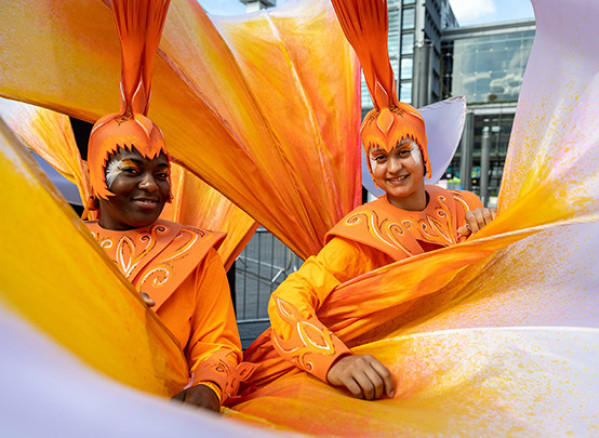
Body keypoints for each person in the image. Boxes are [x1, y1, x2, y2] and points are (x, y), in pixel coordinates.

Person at [236, 0, 496, 403]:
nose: (393, 167)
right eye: (379, 157)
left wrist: (491, 228)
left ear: (424, 154)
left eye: (403, 152)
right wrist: (334, 361)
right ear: (370, 168)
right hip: (401, 376)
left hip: (469, 361)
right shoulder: (361, 235)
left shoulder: (463, 204)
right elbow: (287, 299)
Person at [82, 0, 241, 412]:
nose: (150, 185)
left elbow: (217, 345)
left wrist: (208, 389)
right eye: (131, 169)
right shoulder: (66, 245)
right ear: (94, 178)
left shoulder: (197, 255)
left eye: (161, 171)